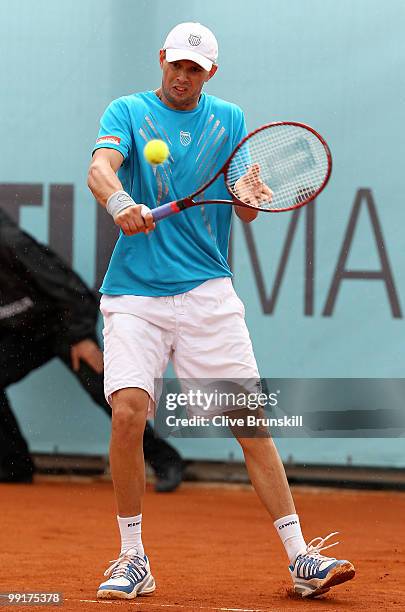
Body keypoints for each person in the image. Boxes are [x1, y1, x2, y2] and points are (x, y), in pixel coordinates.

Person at [88, 22, 355, 600]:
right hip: (135, 294)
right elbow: (100, 168)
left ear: (211, 74)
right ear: (162, 58)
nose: (183, 77)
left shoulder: (229, 120)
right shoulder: (128, 111)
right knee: (129, 413)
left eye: (196, 69)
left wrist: (252, 197)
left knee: (250, 425)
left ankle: (301, 558)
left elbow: (245, 204)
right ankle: (133, 558)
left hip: (208, 292)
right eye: (177, 64)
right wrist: (120, 199)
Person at [0, 208, 183, 492]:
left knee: (105, 390)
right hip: (20, 334)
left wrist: (82, 336)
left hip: (64, 326)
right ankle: (14, 466)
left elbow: (74, 291)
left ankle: (166, 460)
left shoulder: (12, 243)